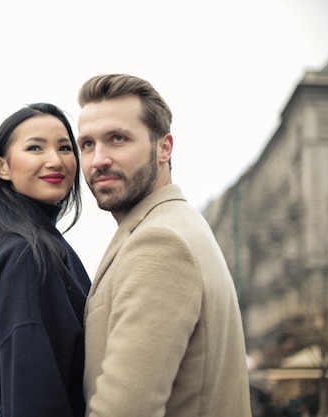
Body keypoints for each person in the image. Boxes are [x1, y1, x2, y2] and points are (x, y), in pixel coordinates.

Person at [75, 74, 252, 417]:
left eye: (118, 139)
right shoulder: (177, 223)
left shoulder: (160, 243)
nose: (98, 159)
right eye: (87, 144)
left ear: (164, 147)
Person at [0, 102, 91, 416]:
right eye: (35, 147)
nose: (55, 160)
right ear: (2, 167)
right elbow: (35, 398)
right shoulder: (27, 255)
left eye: (64, 147)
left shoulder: (37, 245)